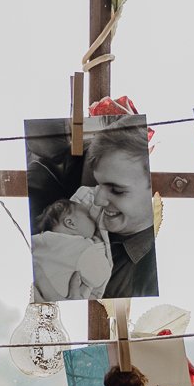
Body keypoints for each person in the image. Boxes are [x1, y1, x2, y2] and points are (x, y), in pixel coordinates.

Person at [80, 121, 157, 297]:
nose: (98, 200)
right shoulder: (83, 210)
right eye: (98, 184)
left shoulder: (147, 280)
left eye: (117, 190)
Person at [32, 189, 113, 299]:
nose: (94, 219)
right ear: (70, 223)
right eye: (89, 216)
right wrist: (98, 246)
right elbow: (99, 278)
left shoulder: (38, 239)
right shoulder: (83, 247)